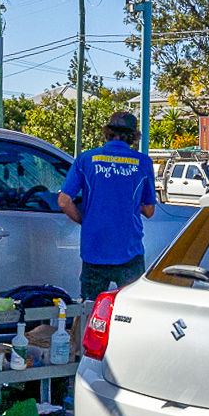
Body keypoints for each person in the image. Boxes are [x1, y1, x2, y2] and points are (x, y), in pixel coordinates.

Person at [58, 110, 158, 299]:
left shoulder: (86, 159)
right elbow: (149, 210)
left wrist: (85, 219)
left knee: (89, 309)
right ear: (134, 136)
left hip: (94, 250)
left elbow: (63, 201)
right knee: (131, 310)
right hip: (129, 251)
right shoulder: (143, 163)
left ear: (108, 132)